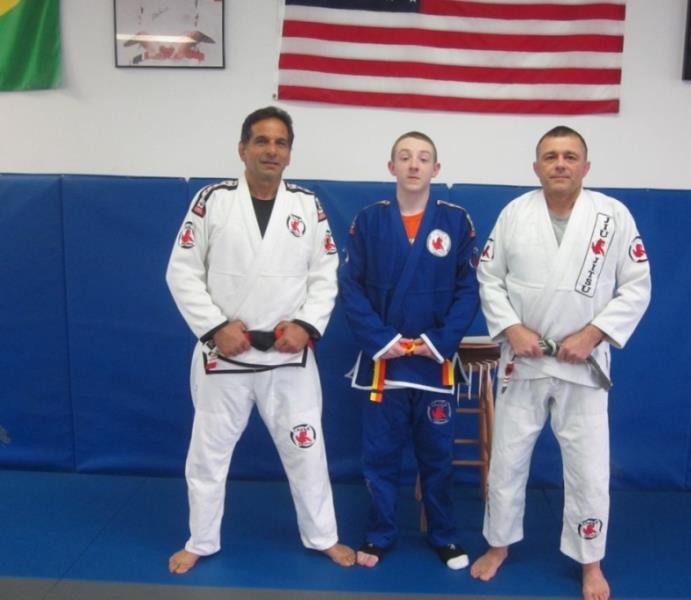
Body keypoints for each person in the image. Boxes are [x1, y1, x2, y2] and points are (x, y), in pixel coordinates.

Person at [165, 106, 355, 574]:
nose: (272, 150)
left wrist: (306, 325)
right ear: (242, 149)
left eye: (280, 143)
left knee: (307, 451)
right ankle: (200, 540)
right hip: (224, 357)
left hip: (289, 358)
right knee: (208, 456)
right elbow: (182, 271)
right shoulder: (212, 200)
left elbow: (326, 273)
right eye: (262, 141)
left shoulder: (307, 205)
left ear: (289, 153)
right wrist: (216, 327)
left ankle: (323, 536)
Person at [470, 126, 651, 600]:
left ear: (586, 166)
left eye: (570, 156)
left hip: (583, 365)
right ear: (537, 167)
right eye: (551, 156)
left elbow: (637, 285)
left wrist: (593, 334)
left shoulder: (612, 216)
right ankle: (498, 545)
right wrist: (512, 328)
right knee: (507, 461)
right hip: (524, 360)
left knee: (589, 469)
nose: (560, 164)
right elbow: (489, 277)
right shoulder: (515, 213)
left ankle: (591, 561)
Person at [338, 131, 480, 570]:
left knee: (437, 458)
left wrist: (438, 342)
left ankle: (444, 535)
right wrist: (383, 340)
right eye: (404, 157)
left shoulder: (456, 221)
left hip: (434, 362)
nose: (414, 165)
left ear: (436, 169)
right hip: (386, 362)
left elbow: (469, 290)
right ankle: (379, 534)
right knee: (380, 457)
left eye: (423, 158)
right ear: (391, 167)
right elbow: (350, 287)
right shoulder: (369, 220)